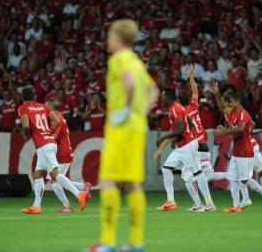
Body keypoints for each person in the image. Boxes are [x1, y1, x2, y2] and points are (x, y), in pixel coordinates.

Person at [85, 19, 159, 252]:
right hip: (138, 127)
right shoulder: (137, 61)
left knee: (108, 181)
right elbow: (154, 90)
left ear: (118, 38)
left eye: (109, 34)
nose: (108, 39)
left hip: (121, 128)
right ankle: (136, 243)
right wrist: (140, 112)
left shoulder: (118, 59)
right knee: (133, 184)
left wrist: (126, 111)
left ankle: (107, 242)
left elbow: (128, 83)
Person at [18, 85, 87, 215]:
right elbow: (56, 121)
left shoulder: (23, 108)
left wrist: (26, 135)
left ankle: (79, 194)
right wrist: (47, 133)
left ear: (22, 97)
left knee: (54, 176)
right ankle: (36, 206)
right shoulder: (44, 107)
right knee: (37, 174)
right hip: (49, 143)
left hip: (43, 145)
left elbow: (26, 126)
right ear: (34, 96)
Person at [153, 89, 215, 212]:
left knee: (197, 173)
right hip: (182, 146)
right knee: (166, 168)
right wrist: (180, 137)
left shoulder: (174, 108)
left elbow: (180, 129)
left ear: (169, 98)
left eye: (163, 97)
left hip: (188, 146)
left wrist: (163, 137)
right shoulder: (178, 107)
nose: (162, 100)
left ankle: (210, 204)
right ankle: (170, 201)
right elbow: (190, 123)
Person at [214, 92, 262, 213]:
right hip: (237, 151)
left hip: (245, 151)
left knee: (245, 179)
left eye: (231, 102)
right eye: (229, 102)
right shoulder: (231, 113)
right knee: (232, 178)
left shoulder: (243, 114)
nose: (229, 104)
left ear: (237, 102)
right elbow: (221, 106)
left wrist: (225, 131)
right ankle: (236, 206)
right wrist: (217, 93)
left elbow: (241, 129)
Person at [178, 64, 215, 212]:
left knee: (190, 177)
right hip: (203, 144)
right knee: (195, 176)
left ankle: (207, 204)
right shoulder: (194, 105)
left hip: (195, 147)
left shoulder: (182, 113)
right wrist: (191, 76)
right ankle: (200, 204)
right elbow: (195, 90)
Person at [45, 100, 92, 213]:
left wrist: (43, 137)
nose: (44, 110)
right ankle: (82, 187)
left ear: (51, 108)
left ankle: (76, 197)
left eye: (46, 108)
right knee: (57, 180)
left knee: (53, 180)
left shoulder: (57, 119)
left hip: (62, 153)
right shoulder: (59, 117)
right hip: (64, 151)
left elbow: (54, 137)